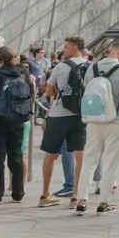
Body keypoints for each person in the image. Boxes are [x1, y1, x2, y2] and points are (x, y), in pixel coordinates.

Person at [77, 40, 119, 215]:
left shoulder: (91, 68)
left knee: (89, 161)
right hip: (116, 120)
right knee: (110, 161)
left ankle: (81, 200)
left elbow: (88, 91)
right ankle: (103, 202)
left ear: (110, 50)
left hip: (94, 120)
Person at [38, 37, 88, 208]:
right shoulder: (90, 66)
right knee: (80, 155)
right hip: (81, 116)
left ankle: (45, 193)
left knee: (50, 154)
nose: (63, 50)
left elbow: (49, 90)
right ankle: (76, 195)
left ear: (74, 49)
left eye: (66, 47)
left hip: (58, 115)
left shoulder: (61, 66)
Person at [0, 46, 32, 204]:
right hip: (18, 118)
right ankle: (18, 192)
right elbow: (31, 93)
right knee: (16, 155)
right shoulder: (22, 73)